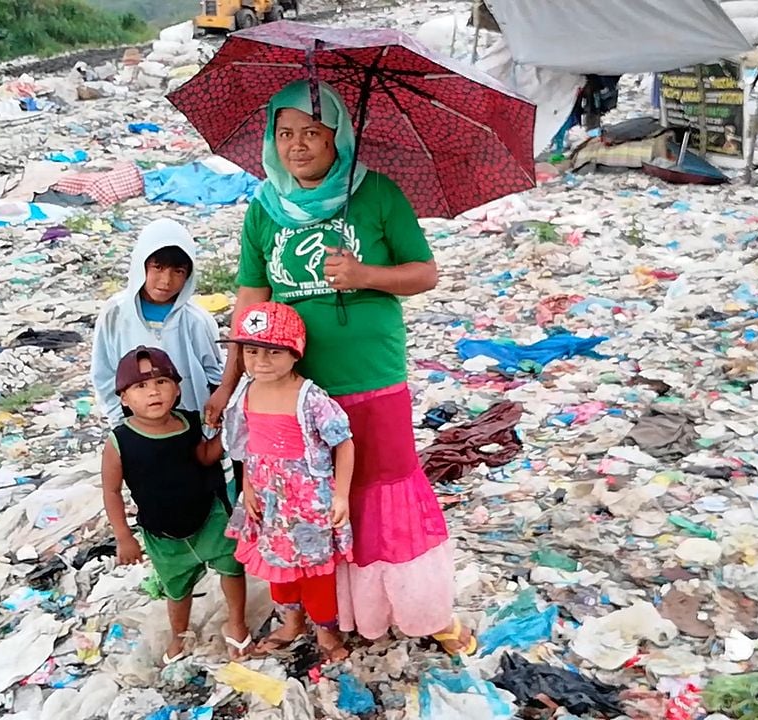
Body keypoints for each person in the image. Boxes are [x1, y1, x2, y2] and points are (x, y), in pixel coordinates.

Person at [205, 80, 476, 656]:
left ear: (339, 138)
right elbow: (250, 303)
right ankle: (340, 612)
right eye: (285, 134)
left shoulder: (376, 193)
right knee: (311, 496)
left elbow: (424, 273)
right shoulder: (264, 209)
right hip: (294, 385)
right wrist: (230, 384)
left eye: (312, 132)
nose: (297, 145)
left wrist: (364, 276)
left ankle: (420, 611)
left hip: (372, 373)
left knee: (383, 484)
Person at [219, 302, 355, 661]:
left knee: (315, 571)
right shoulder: (246, 393)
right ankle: (291, 622)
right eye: (252, 351)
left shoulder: (310, 398)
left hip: (307, 501)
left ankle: (326, 632)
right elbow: (247, 447)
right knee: (277, 567)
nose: (261, 361)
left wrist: (341, 496)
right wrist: (248, 488)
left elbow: (344, 443)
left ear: (295, 353)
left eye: (273, 352)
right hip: (266, 500)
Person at [100, 346, 252, 662]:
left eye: (162, 382)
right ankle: (179, 636)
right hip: (163, 534)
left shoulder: (189, 422)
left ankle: (237, 623)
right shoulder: (120, 441)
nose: (153, 392)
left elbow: (204, 457)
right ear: (124, 399)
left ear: (178, 388)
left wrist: (227, 434)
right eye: (141, 386)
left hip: (210, 518)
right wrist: (124, 537)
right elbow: (112, 491)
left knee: (232, 569)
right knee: (177, 589)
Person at [90, 218, 223, 425]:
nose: (166, 280)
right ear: (141, 266)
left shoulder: (196, 320)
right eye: (158, 268)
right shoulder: (115, 314)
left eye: (178, 272)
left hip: (191, 425)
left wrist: (210, 424)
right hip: (136, 427)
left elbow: (215, 375)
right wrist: (120, 423)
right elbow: (104, 372)